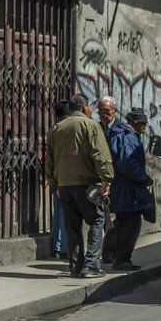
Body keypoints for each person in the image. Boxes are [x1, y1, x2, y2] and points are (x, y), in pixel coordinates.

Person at [45, 93, 114, 278]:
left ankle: (75, 266)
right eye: (90, 107)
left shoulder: (57, 128)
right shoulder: (90, 125)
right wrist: (106, 179)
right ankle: (91, 264)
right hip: (85, 184)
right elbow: (100, 154)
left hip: (64, 185)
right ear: (84, 107)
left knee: (72, 226)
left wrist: (54, 183)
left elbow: (49, 159)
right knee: (97, 220)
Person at [99, 99, 153, 272]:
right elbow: (127, 163)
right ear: (135, 123)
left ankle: (110, 254)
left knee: (120, 222)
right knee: (130, 224)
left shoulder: (122, 134)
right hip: (128, 190)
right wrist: (144, 178)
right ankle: (122, 259)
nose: (144, 127)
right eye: (143, 124)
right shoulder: (128, 137)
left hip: (122, 188)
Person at [49, 100, 71, 259]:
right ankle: (63, 246)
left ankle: (57, 244)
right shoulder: (65, 130)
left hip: (56, 175)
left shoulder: (53, 130)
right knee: (66, 212)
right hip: (66, 176)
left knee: (58, 211)